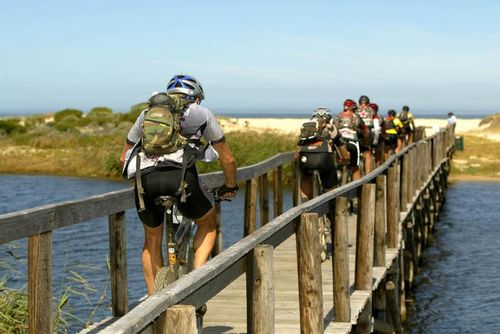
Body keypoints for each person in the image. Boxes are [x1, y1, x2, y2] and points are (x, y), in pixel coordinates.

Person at [120, 74, 238, 296]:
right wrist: (230, 185)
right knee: (208, 223)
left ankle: (152, 303)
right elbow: (228, 159)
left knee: (152, 239)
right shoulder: (201, 114)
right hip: (181, 179)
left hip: (146, 182)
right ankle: (198, 283)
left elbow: (123, 158)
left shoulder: (146, 115)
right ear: (195, 98)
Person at [296, 107, 350, 200]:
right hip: (324, 158)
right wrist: (345, 159)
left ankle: (305, 202)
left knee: (305, 176)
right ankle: (330, 205)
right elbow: (342, 149)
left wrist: (298, 162)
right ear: (329, 118)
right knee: (330, 185)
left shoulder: (307, 129)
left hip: (306, 158)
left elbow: (297, 152)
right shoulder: (331, 128)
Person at [334, 99, 369, 181]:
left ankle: (338, 170)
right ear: (353, 107)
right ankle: (357, 188)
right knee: (355, 167)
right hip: (352, 142)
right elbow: (365, 131)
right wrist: (366, 142)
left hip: (339, 143)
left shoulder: (338, 117)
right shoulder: (356, 116)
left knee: (336, 161)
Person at [356, 95, 379, 173]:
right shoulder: (372, 111)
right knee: (367, 153)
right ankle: (367, 175)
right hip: (367, 134)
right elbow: (377, 128)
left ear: (359, 103)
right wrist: (375, 141)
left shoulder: (355, 110)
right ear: (368, 103)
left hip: (356, 134)